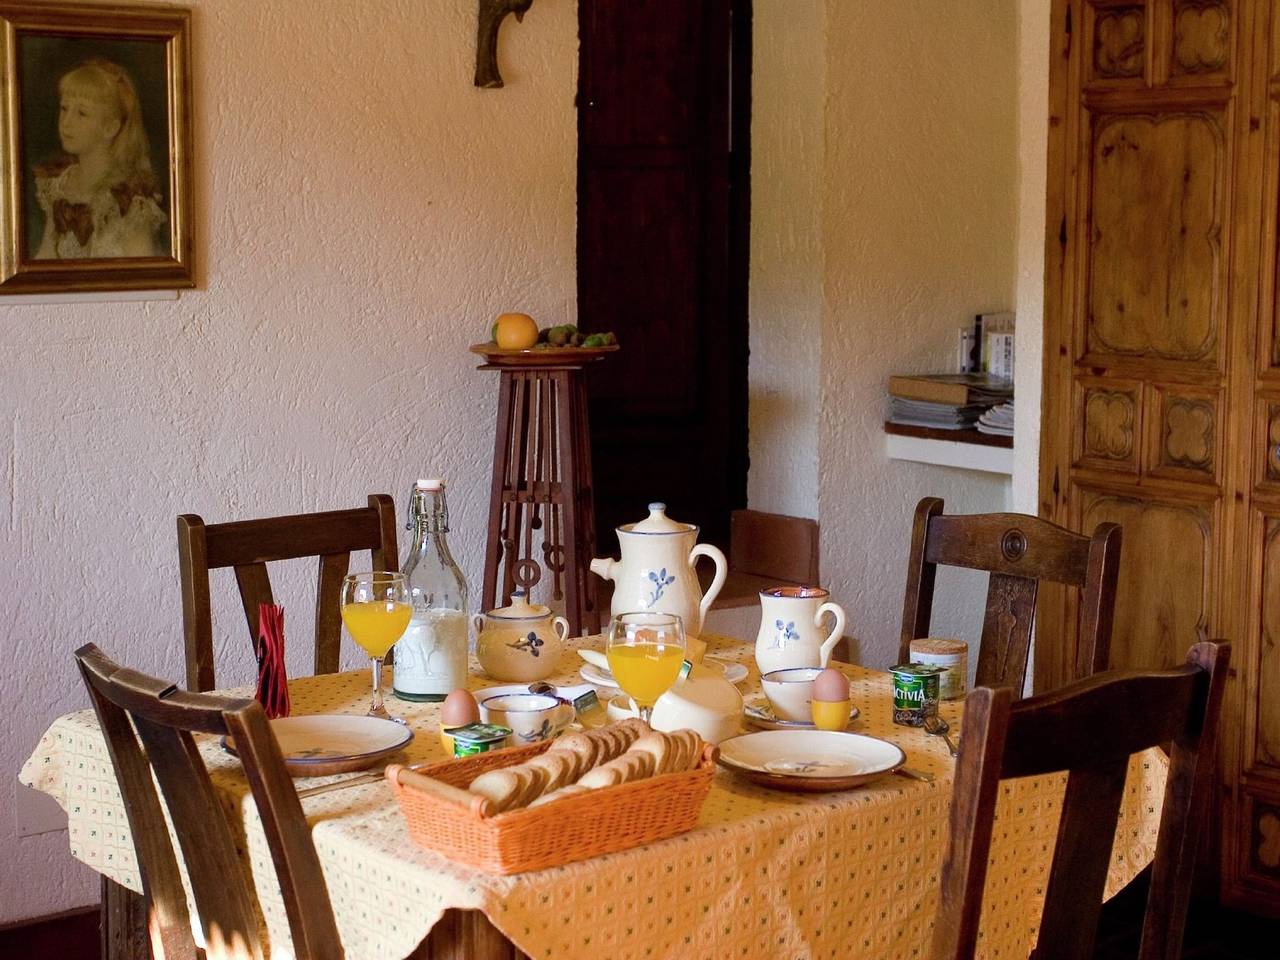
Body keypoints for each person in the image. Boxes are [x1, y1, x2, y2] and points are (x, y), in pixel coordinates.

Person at [32, 58, 165, 259]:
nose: (66, 123)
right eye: (64, 108)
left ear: (110, 127)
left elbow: (142, 274)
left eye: (82, 113)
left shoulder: (130, 200)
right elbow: (44, 259)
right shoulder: (60, 188)